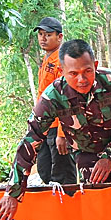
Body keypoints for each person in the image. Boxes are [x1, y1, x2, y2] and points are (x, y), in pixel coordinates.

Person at [0, 39, 111, 220]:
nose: (81, 80)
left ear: (95, 66)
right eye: (73, 73)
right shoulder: (52, 97)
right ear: (62, 72)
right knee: (96, 214)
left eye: (87, 71)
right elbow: (31, 141)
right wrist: (13, 192)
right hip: (88, 154)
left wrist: (109, 156)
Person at [33, 17, 77, 185]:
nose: (43, 38)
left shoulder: (62, 62)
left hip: (58, 126)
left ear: (59, 37)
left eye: (48, 35)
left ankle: (71, 207)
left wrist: (62, 133)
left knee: (63, 175)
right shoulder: (47, 59)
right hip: (45, 125)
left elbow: (68, 99)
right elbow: (41, 95)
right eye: (41, 34)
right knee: (45, 171)